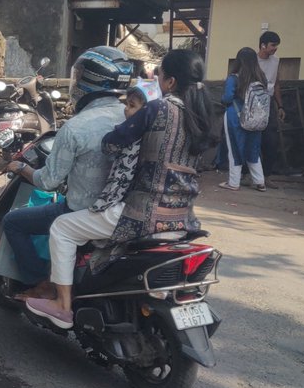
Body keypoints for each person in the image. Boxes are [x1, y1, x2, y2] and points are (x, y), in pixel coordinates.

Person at [23, 50, 215, 329]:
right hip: (182, 218)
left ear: (171, 82)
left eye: (160, 75)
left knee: (62, 228)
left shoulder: (158, 109)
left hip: (141, 214)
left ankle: (62, 305)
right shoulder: (200, 117)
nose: (158, 80)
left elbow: (112, 143)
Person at [0, 46, 132, 299]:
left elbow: (48, 181)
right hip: (124, 207)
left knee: (13, 222)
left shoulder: (75, 127)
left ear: (88, 82)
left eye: (79, 76)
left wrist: (22, 167)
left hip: (82, 211)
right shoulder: (132, 118)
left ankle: (40, 283)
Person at [217, 47, 268, 192]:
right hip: (256, 117)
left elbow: (227, 98)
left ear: (238, 60)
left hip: (236, 116)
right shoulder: (261, 77)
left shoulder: (234, 78)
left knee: (235, 148)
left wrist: (222, 99)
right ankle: (260, 182)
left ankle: (234, 182)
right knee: (253, 149)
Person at [258, 30, 285, 177]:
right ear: (263, 45)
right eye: (273, 45)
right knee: (253, 139)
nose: (275, 48)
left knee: (271, 141)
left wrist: (280, 106)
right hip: (253, 103)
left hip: (269, 103)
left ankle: (266, 175)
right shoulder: (253, 61)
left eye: (276, 45)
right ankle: (247, 174)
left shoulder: (275, 61)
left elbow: (276, 84)